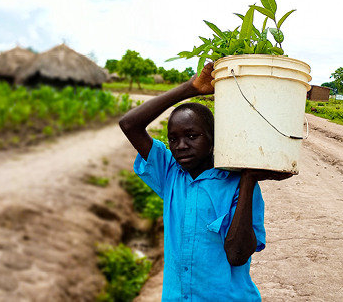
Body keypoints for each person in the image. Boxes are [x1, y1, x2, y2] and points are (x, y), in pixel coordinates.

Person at [119, 62, 292, 301]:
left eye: (192, 136)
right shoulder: (170, 173)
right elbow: (129, 124)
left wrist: (249, 179)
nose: (181, 146)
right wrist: (191, 88)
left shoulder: (236, 184)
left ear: (213, 139)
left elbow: (237, 255)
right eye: (173, 138)